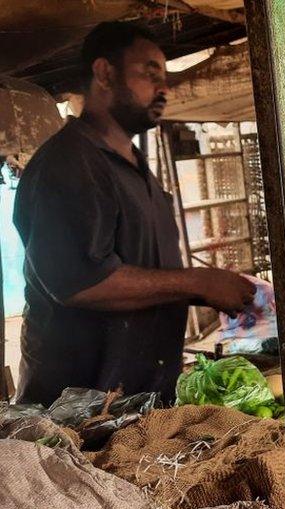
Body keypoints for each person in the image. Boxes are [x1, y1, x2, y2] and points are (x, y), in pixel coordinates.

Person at [12, 22, 256, 406]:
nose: (164, 88)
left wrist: (216, 288)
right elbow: (82, 283)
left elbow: (146, 274)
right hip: (77, 414)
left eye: (165, 76)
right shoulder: (69, 164)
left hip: (138, 403)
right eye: (150, 73)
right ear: (104, 74)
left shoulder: (137, 167)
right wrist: (197, 282)